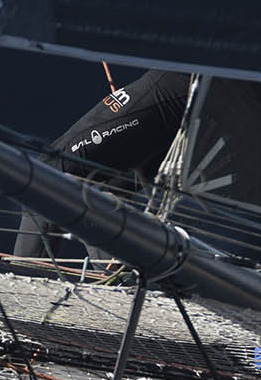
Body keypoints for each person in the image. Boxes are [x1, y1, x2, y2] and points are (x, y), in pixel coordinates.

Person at [13, 69, 190, 258]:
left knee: (47, 175)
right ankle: (116, 272)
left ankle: (24, 272)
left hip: (178, 88)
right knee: (109, 188)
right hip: (199, 113)